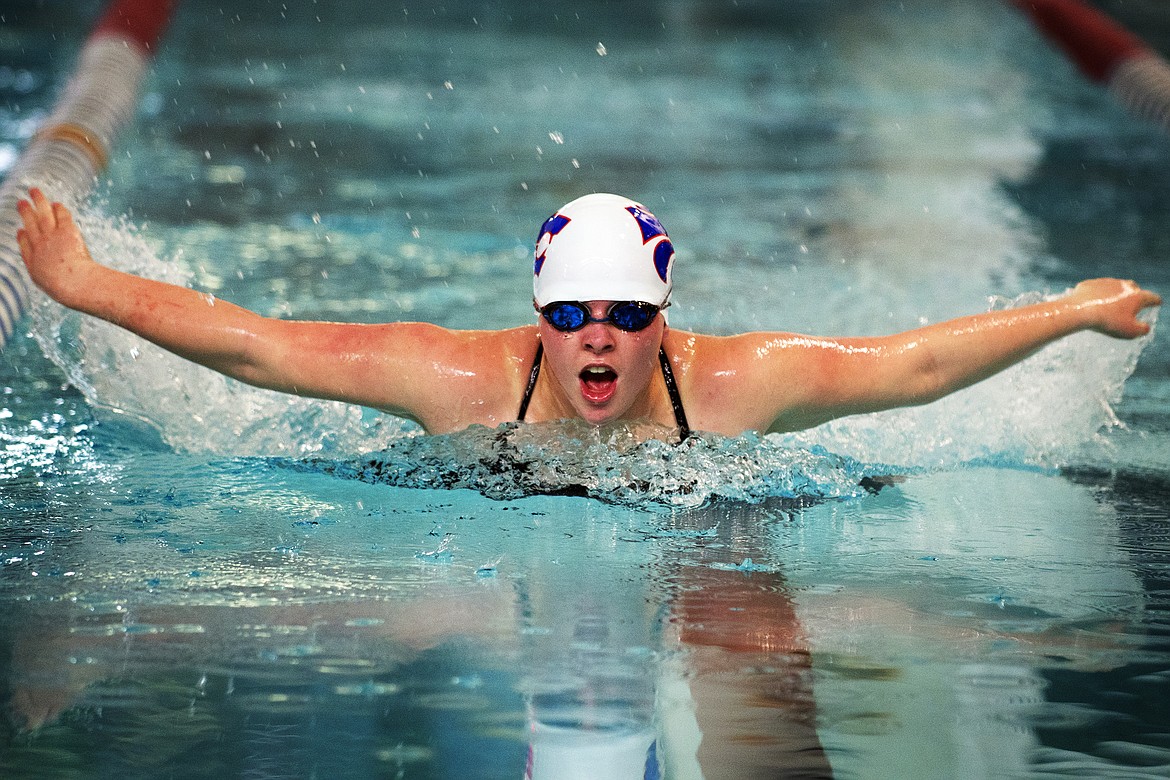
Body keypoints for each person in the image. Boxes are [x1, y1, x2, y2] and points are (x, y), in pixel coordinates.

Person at [15, 188, 1162, 442]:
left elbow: (908, 369)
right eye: (572, 315)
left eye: (623, 312)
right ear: (539, 316)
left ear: (665, 317)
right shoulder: (461, 380)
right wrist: (83, 288)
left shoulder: (733, 383)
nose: (597, 335)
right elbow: (259, 346)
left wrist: (1070, 310)